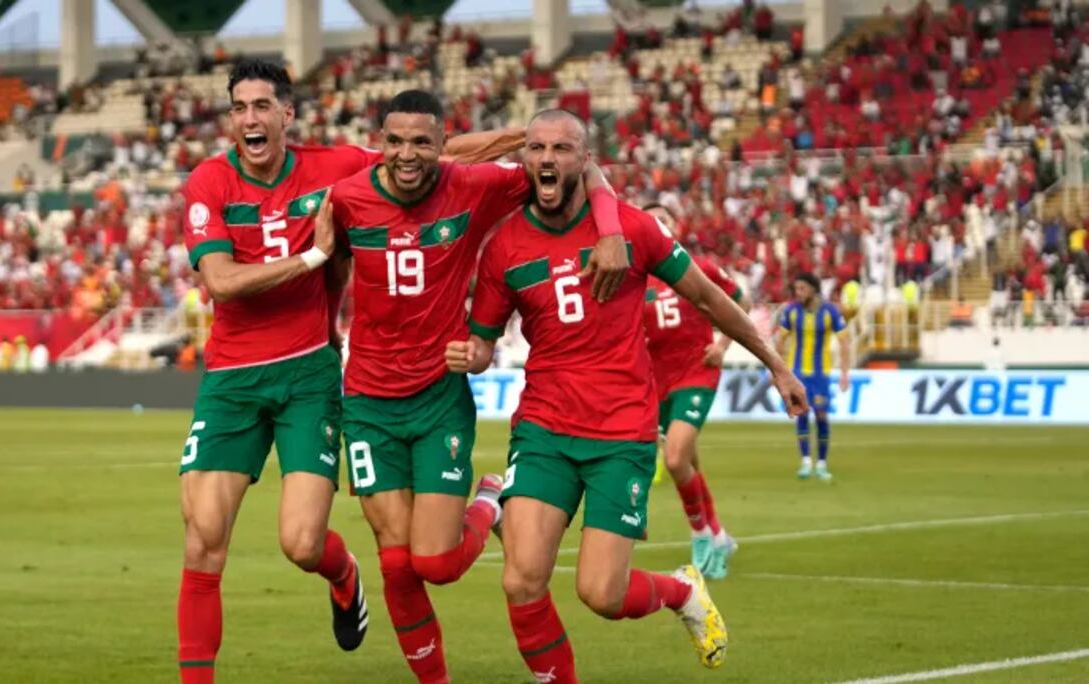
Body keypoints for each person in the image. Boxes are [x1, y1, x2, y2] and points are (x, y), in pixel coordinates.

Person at [177, 61, 524, 684]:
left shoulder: (334, 166)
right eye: (240, 108)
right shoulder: (209, 181)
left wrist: (529, 137)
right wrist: (312, 257)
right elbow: (221, 282)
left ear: (287, 114)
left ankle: (341, 573)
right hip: (232, 377)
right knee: (203, 540)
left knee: (302, 544)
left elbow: (425, 158)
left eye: (262, 106)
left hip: (309, 374)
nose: (250, 118)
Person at [448, 109, 807, 684]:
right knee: (521, 580)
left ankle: (681, 590)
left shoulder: (633, 229)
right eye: (537, 148)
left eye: (562, 148)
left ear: (585, 160)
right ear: (524, 160)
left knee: (602, 593)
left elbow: (709, 297)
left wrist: (776, 364)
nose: (547, 158)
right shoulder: (504, 247)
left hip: (620, 433)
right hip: (544, 428)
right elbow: (485, 342)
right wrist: (471, 355)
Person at [328, 92, 630, 684]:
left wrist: (611, 227)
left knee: (437, 563)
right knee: (396, 563)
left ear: (443, 146)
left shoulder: (475, 185)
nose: (407, 154)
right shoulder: (347, 196)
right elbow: (323, 258)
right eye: (395, 141)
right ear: (380, 143)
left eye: (422, 142)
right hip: (366, 400)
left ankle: (489, 498)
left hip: (438, 397)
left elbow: (575, 166)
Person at [642, 204, 748, 580]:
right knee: (687, 463)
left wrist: (722, 345)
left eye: (663, 218)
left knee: (674, 460)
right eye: (650, 219)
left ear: (674, 226)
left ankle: (701, 534)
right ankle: (719, 534)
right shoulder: (633, 278)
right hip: (656, 382)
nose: (657, 224)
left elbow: (740, 300)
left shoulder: (696, 267)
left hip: (696, 372)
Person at [775, 272, 851, 481]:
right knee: (801, 414)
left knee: (821, 416)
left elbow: (844, 343)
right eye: (796, 289)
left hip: (820, 374)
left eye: (802, 288)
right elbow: (780, 342)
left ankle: (822, 463)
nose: (798, 293)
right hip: (797, 374)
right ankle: (806, 461)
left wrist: (845, 373)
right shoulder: (791, 311)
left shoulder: (830, 311)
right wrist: (777, 371)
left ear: (813, 289)